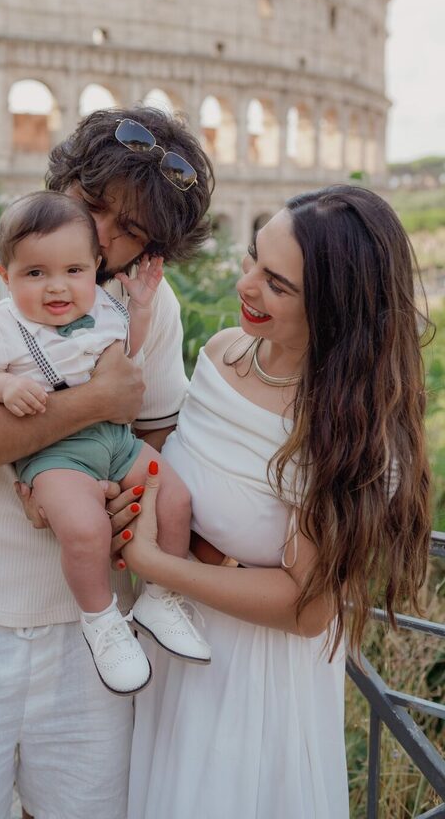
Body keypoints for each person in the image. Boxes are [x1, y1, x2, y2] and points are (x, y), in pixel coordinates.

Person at [0, 107, 214, 819]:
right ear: (63, 180)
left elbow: (155, 443)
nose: (104, 237)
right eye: (94, 206)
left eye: (132, 230)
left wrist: (116, 499)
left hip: (98, 637)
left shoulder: (150, 304)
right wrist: (92, 405)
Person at [122, 184, 432, 819]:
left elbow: (306, 609)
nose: (246, 285)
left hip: (249, 680)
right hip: (171, 645)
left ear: (336, 308)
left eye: (278, 285)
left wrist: (156, 566)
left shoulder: (345, 431)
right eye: (252, 258)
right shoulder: (221, 352)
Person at [0, 190, 210, 696]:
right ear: (5, 276)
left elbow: (127, 349)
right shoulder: (3, 322)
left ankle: (160, 596)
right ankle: (101, 620)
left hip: (116, 440)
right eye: (35, 273)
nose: (57, 286)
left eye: (73, 271)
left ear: (94, 268)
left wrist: (140, 307)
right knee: (85, 529)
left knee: (175, 497)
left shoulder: (102, 306)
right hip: (56, 451)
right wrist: (6, 387)